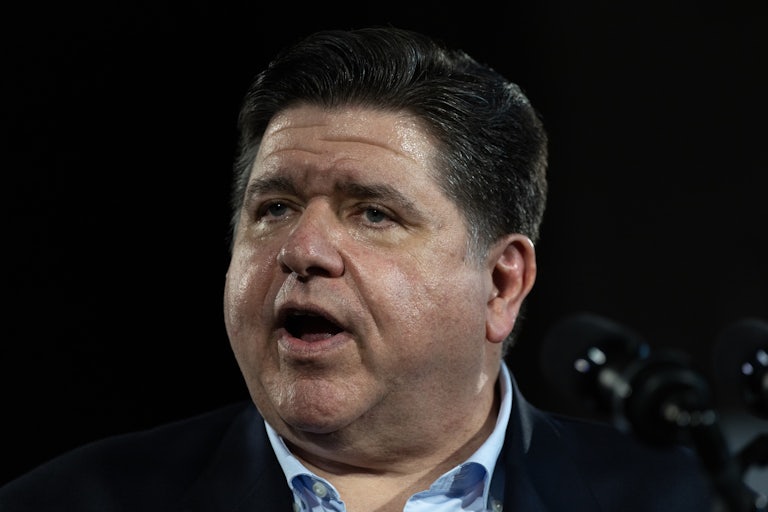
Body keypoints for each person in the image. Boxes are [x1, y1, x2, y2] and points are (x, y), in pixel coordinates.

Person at [0, 26, 716, 511]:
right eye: (274, 207)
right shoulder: (65, 501)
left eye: (373, 213)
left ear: (501, 285)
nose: (302, 250)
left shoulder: (687, 500)